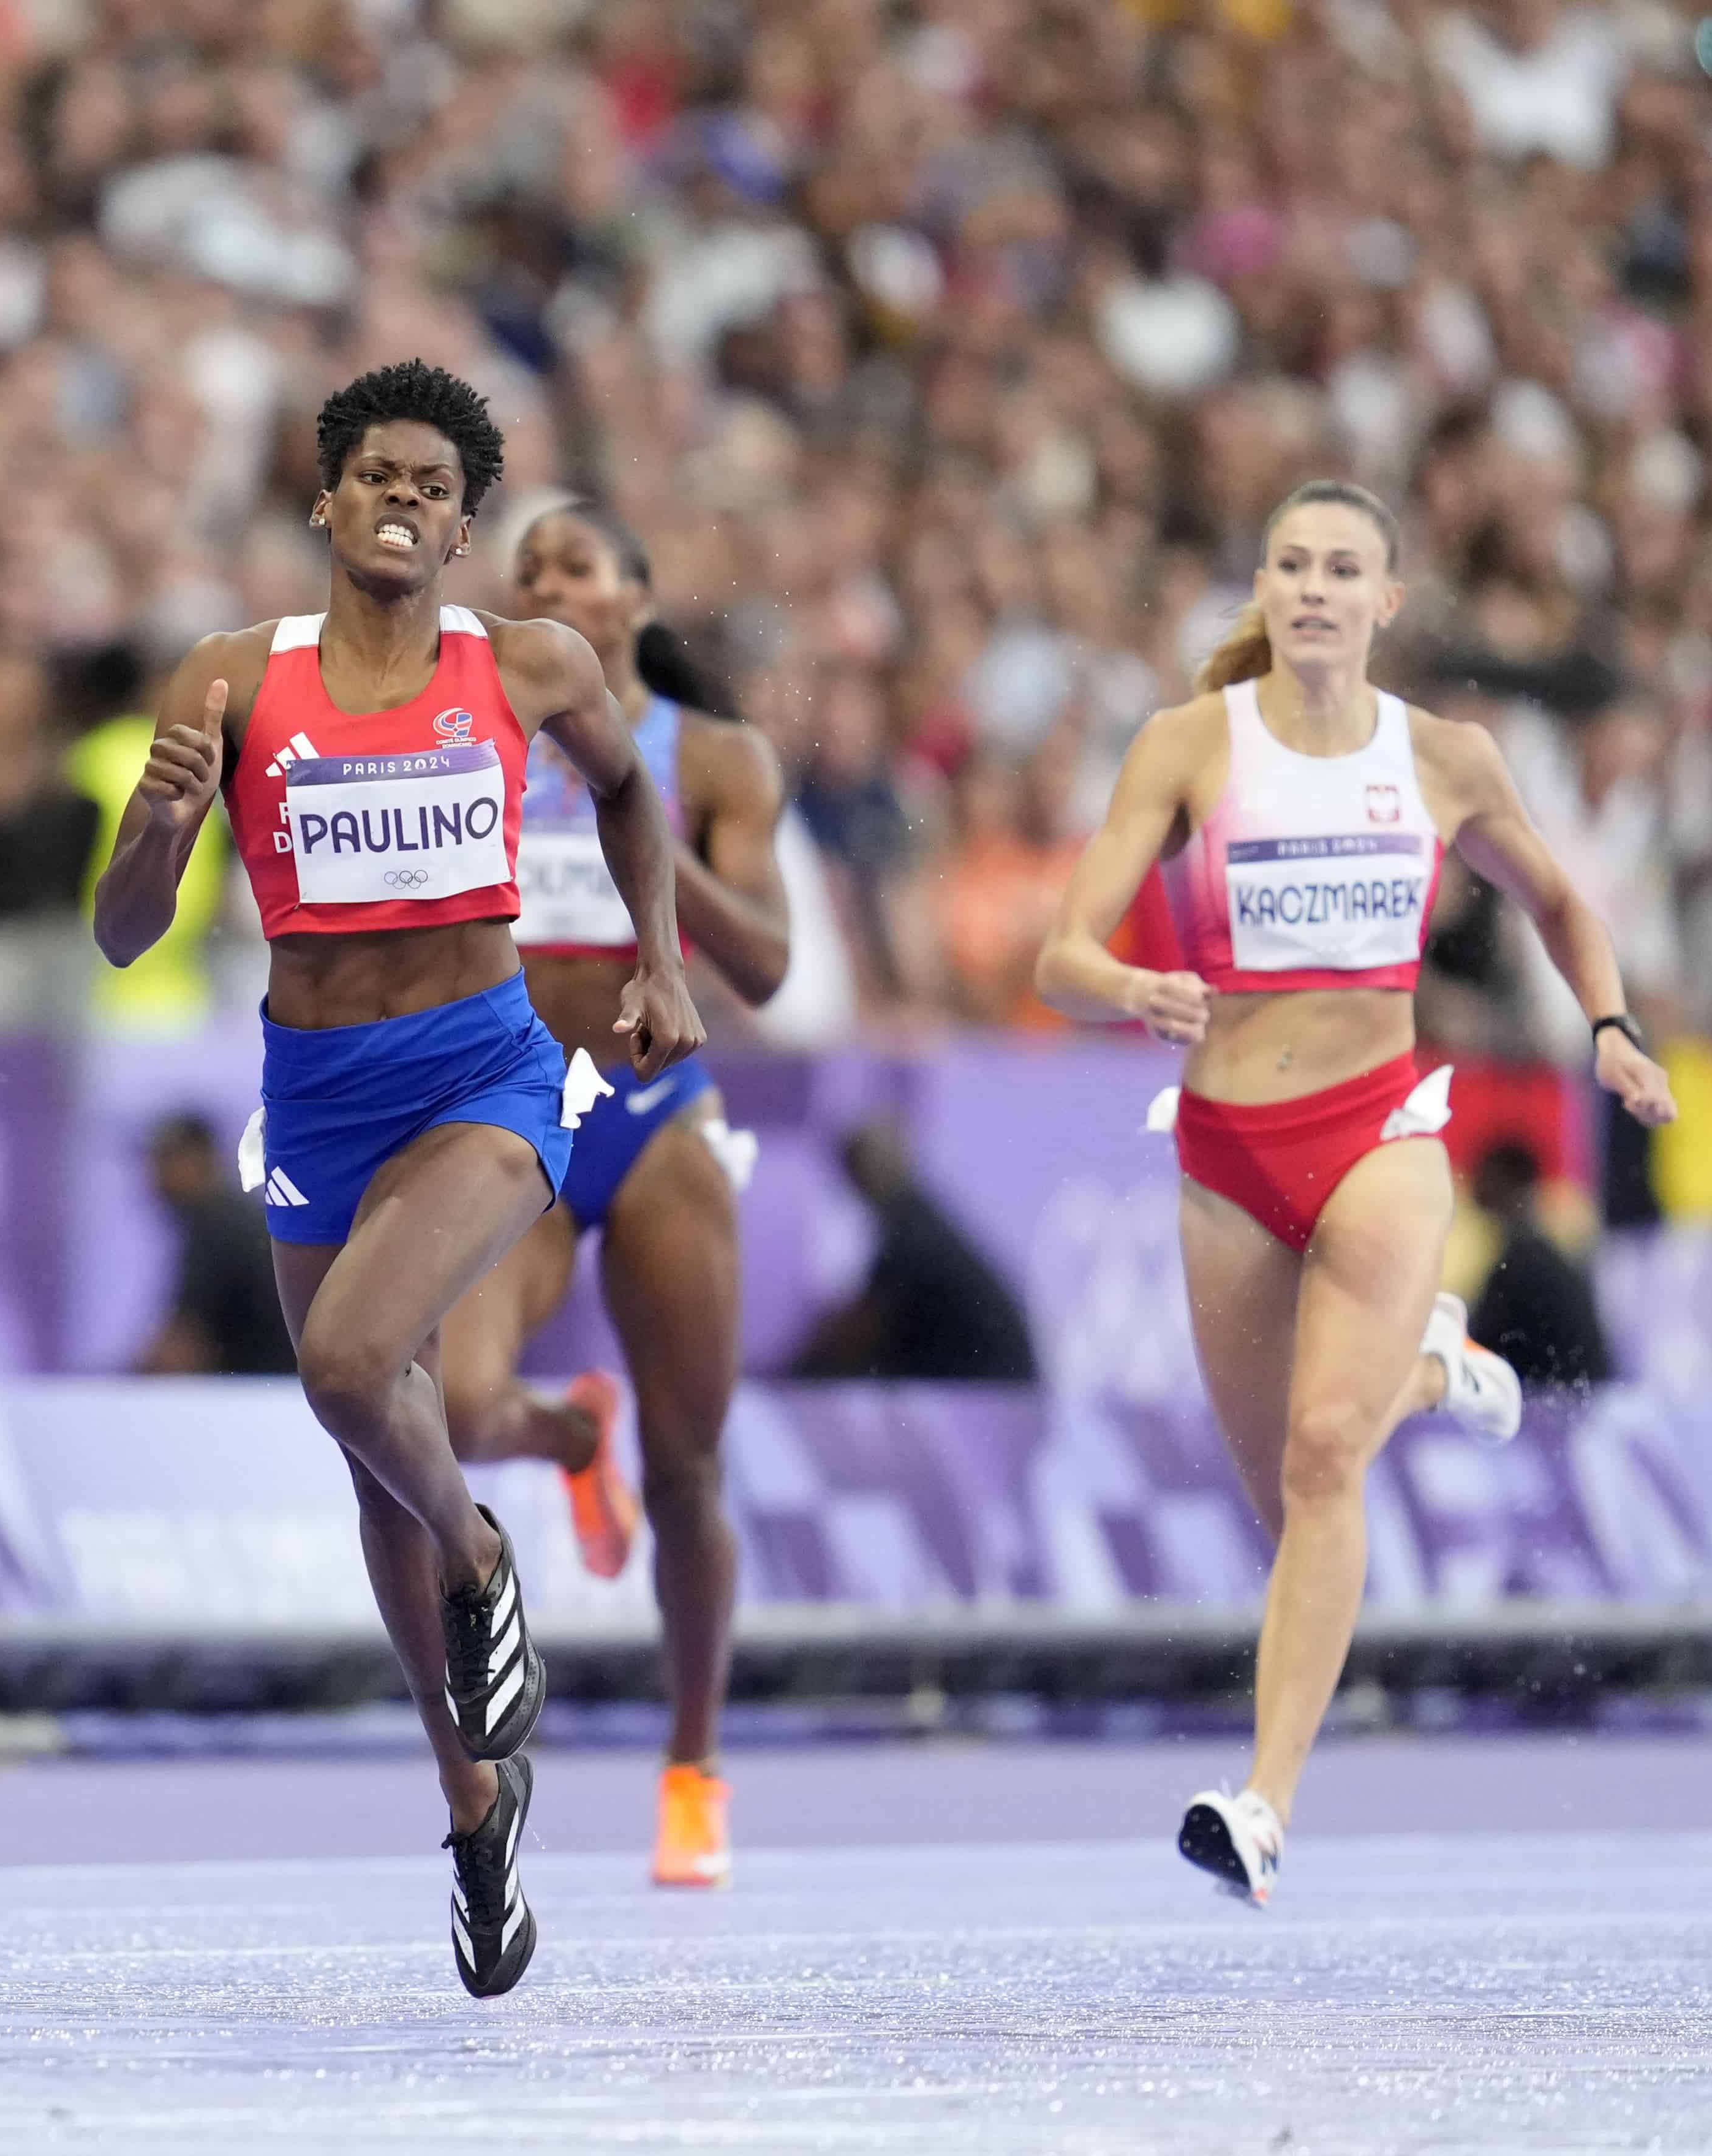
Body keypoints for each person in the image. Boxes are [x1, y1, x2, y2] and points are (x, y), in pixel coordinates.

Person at [92, 360, 705, 1998]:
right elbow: (119, 929)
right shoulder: (230, 679)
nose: (401, 498)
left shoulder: (523, 663)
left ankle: (487, 1557)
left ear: (459, 522)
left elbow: (634, 789)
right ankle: (471, 1803)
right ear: (323, 499)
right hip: (315, 1091)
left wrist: (656, 960)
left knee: (352, 1362)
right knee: (369, 1458)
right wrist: (158, 826)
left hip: (484, 1074)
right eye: (373, 472)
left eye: (434, 482)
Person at [1035, 478, 1673, 1906]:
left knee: (1329, 1455)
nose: (1314, 588)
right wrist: (1132, 983)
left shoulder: (1441, 755)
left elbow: (1564, 903)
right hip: (1224, 1158)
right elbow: (1056, 954)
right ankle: (1436, 1368)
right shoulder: (1192, 742)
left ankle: (1261, 1803)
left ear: (1386, 602)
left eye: (1343, 569)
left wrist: (1611, 1026)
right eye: (1290, 565)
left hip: (1380, 1131)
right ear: (1262, 591)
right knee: (1289, 1497)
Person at [431, 501, 788, 1891]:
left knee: (693, 1467)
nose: (549, 588)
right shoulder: (476, 731)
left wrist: (643, 825)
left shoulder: (713, 757)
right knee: (456, 1406)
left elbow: (760, 965)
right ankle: (574, 1434)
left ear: (637, 597)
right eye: (527, 577)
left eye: (576, 567)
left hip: (654, 1121)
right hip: (515, 1107)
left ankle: (692, 1765)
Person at [786, 1118, 1041, 1385]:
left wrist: (794, 1375)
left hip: (993, 1392)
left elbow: (861, 1331)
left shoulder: (911, 1236)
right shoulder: (917, 1219)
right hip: (999, 1384)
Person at [137, 1112, 296, 1377]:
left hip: (257, 1396)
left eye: (168, 1158)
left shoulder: (217, 1228)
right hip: (277, 1392)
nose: (155, 1174)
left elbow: (181, 1352)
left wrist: (107, 1389)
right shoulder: (239, 1218)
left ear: (203, 1160)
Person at [1466, 1141, 1614, 1393]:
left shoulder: (1522, 1264)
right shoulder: (1539, 1253)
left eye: (1484, 1177)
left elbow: (1484, 1350)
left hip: (1561, 1406)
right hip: (1576, 1400)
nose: (1475, 1185)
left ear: (1504, 1183)